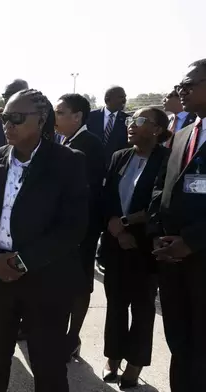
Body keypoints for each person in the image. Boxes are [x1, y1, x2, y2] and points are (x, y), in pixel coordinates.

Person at [0, 89, 88, 392]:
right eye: (4, 117)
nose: (8, 124)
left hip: (45, 281)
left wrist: (22, 261)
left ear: (41, 119)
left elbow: (73, 227)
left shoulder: (67, 163)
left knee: (48, 366)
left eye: (17, 118)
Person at [101, 107, 170, 389]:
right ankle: (113, 357)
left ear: (156, 129)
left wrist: (127, 224)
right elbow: (106, 196)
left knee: (142, 308)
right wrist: (115, 228)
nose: (132, 124)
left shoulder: (167, 159)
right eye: (131, 120)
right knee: (116, 305)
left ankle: (136, 361)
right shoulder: (120, 156)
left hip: (145, 246)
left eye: (140, 121)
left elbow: (162, 202)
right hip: (116, 244)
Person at [148, 58, 206, 392]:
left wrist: (192, 241)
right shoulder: (182, 135)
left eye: (188, 85)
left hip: (201, 258)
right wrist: (157, 231)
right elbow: (162, 186)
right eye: (178, 86)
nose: (179, 91)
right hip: (172, 262)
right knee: (180, 345)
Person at [54, 93, 105, 360]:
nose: (55, 117)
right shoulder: (65, 141)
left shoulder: (89, 145)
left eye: (60, 113)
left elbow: (89, 193)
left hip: (82, 231)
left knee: (80, 285)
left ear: (78, 116)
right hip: (66, 231)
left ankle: (72, 338)